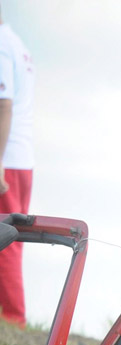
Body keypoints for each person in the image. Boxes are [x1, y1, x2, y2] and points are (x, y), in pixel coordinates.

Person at [0, 7, 32, 327]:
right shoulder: (15, 42)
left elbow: (3, 104)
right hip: (20, 159)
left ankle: (12, 321)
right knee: (10, 240)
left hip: (7, 160)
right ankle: (11, 321)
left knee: (4, 241)